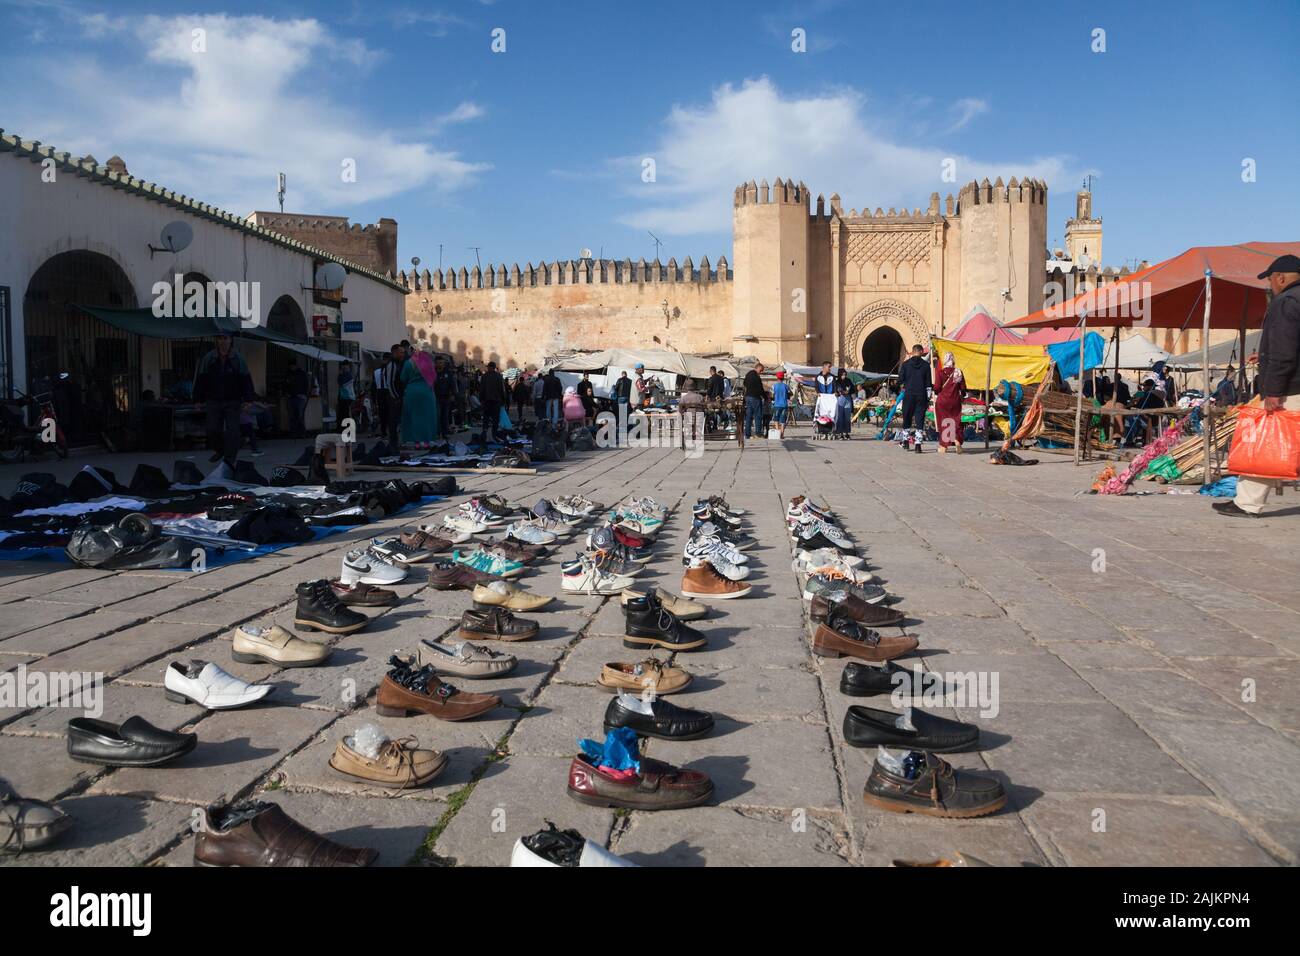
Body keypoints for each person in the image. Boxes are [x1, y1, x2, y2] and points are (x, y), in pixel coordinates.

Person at [1216, 254, 1300, 517]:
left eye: (1271, 281)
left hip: (1290, 388)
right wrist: (1262, 357)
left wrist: (1273, 390)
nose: (1270, 286)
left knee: (1265, 444)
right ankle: (1246, 502)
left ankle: (1247, 504)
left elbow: (1285, 351)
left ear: (1281, 278)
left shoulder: (1286, 302)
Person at [193, 332, 254, 467]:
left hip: (233, 401)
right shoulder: (209, 358)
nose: (223, 342)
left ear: (230, 340)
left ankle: (229, 460)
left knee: (233, 430)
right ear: (216, 340)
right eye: (220, 338)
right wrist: (197, 399)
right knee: (212, 429)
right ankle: (221, 450)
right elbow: (201, 380)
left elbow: (246, 380)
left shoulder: (238, 359)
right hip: (213, 401)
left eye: (225, 338)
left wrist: (248, 400)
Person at [399, 349, 439, 444]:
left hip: (412, 392)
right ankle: (427, 441)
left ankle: (414, 441)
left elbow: (403, 378)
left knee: (412, 416)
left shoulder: (408, 363)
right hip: (427, 392)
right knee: (427, 417)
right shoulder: (429, 364)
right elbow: (434, 378)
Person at [898, 344, 931, 452]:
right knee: (920, 419)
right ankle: (918, 445)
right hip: (921, 395)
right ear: (921, 352)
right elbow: (928, 384)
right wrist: (928, 398)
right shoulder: (926, 366)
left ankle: (906, 442)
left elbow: (900, 380)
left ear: (913, 352)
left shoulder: (906, 364)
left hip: (909, 395)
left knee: (907, 417)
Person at [934, 351, 966, 453]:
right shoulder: (958, 372)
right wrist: (961, 395)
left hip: (942, 401)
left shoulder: (940, 373)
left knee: (945, 422)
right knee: (955, 421)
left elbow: (937, 388)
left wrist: (935, 390)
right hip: (955, 400)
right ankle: (957, 441)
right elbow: (963, 389)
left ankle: (944, 446)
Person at [479, 361, 507, 447]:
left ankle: (484, 432)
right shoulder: (498, 376)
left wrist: (481, 399)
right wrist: (504, 400)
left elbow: (482, 389)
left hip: (487, 401)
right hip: (496, 401)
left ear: (489, 367)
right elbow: (502, 389)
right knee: (495, 419)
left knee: (486, 418)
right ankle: (493, 434)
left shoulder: (484, 377)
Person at [385, 344, 407, 447]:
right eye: (401, 352)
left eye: (403, 352)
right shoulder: (392, 365)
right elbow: (390, 382)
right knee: (393, 421)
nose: (403, 354)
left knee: (397, 420)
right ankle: (393, 442)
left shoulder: (399, 364)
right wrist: (396, 397)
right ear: (395, 353)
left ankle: (397, 441)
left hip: (398, 396)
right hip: (394, 398)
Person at [285, 357, 311, 440]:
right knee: (292, 416)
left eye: (293, 366)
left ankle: (301, 433)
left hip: (300, 397)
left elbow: (306, 385)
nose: (291, 367)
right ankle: (294, 433)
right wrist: (287, 393)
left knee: (300, 415)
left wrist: (304, 395)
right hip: (291, 397)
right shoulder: (288, 373)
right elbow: (284, 384)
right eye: (290, 366)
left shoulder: (302, 374)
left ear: (296, 365)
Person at [677, 376, 705, 446]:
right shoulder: (700, 397)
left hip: (688, 419)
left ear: (686, 387)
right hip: (699, 419)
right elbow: (703, 408)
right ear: (694, 387)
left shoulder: (683, 398)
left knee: (680, 416)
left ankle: (687, 438)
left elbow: (680, 410)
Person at [742, 362, 766, 440]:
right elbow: (760, 388)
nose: (761, 372)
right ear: (758, 368)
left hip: (748, 397)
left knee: (749, 416)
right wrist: (765, 397)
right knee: (758, 416)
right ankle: (758, 433)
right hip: (755, 398)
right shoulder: (756, 376)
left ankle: (747, 434)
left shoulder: (748, 374)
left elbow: (744, 383)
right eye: (761, 370)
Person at [813, 361, 838, 426]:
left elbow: (835, 386)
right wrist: (818, 392)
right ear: (824, 367)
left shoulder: (833, 377)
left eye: (830, 367)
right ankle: (820, 427)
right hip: (822, 398)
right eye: (829, 367)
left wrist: (835, 392)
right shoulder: (818, 377)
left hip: (830, 398)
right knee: (821, 413)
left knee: (831, 414)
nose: (830, 368)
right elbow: (816, 386)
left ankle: (831, 427)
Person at [337, 361, 356, 430]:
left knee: (346, 413)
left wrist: (341, 375)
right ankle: (343, 428)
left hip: (348, 397)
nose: (344, 367)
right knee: (342, 414)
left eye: (345, 366)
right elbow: (339, 382)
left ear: (348, 366)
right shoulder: (343, 374)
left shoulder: (349, 375)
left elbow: (342, 383)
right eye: (343, 366)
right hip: (343, 397)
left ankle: (348, 428)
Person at [771, 369, 790, 438]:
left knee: (776, 419)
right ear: (783, 378)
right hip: (784, 405)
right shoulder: (786, 386)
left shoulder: (774, 386)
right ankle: (782, 434)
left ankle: (777, 432)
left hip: (777, 405)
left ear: (777, 378)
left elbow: (772, 395)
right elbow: (789, 394)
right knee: (783, 419)